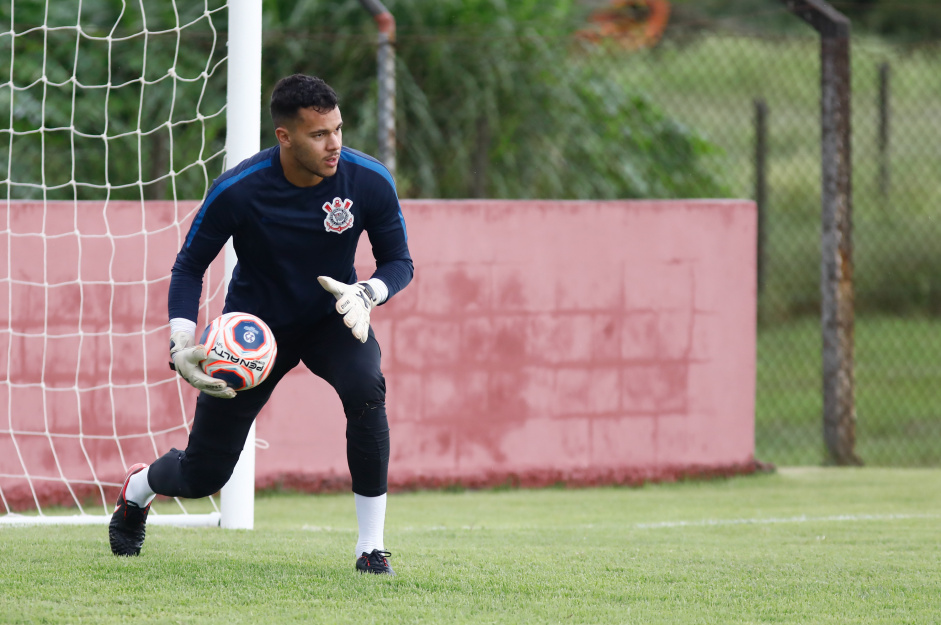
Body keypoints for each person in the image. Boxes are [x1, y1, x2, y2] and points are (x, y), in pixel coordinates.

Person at [108, 74, 413, 575]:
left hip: (331, 316)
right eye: (319, 134)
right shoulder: (238, 189)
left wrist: (366, 292)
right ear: (285, 136)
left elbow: (399, 262)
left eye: (338, 129)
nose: (334, 143)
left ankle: (371, 548)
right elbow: (189, 266)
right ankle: (138, 489)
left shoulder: (369, 180)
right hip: (252, 330)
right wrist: (182, 339)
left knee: (366, 388)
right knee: (203, 474)